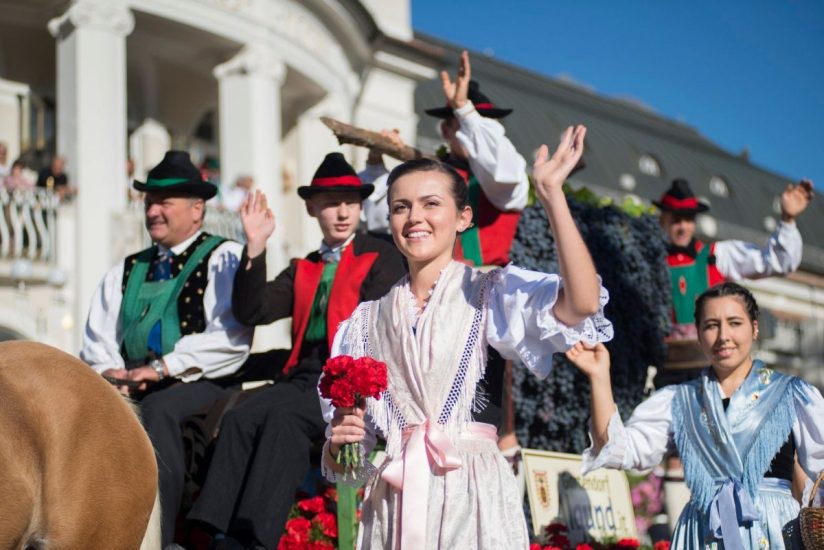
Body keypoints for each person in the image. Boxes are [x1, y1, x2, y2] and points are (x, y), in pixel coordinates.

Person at [321, 126, 613, 549]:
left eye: (431, 204)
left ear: (463, 217)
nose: (414, 217)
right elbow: (349, 462)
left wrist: (551, 195)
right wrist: (340, 443)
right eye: (400, 206)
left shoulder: (492, 292)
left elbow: (581, 303)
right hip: (396, 499)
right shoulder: (365, 322)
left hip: (472, 492)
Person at [188, 152, 406, 550]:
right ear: (311, 208)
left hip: (350, 382)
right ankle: (209, 531)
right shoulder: (304, 267)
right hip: (304, 376)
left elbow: (377, 331)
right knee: (240, 418)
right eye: (330, 204)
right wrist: (254, 246)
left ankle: (252, 539)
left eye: (351, 203)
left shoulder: (382, 257)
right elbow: (253, 310)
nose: (342, 213)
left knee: (283, 420)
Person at [568, 282, 824, 549]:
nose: (723, 335)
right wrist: (599, 376)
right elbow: (617, 449)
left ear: (755, 328)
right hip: (703, 533)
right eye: (712, 325)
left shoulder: (792, 394)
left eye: (735, 323)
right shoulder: (679, 400)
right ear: (699, 335)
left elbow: (821, 473)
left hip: (774, 533)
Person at [80, 150, 252, 546]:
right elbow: (97, 340)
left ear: (197, 209)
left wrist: (161, 369)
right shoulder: (126, 269)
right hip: (132, 382)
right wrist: (113, 373)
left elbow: (231, 339)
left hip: (201, 383)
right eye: (149, 202)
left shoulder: (222, 257)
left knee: (157, 410)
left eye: (164, 203)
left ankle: (160, 534)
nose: (154, 211)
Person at [361, 50, 529, 267]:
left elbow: (501, 166)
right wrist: (375, 162)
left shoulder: (507, 174)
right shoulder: (429, 175)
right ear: (446, 130)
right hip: (431, 282)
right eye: (463, 127)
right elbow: (379, 219)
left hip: (487, 281)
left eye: (484, 125)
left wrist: (465, 111)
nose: (474, 135)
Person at [657, 177, 813, 340]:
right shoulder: (651, 263)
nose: (683, 227)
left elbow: (778, 263)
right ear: (663, 220)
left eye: (689, 219)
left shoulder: (717, 255)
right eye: (676, 220)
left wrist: (788, 220)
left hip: (713, 358)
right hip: (665, 360)